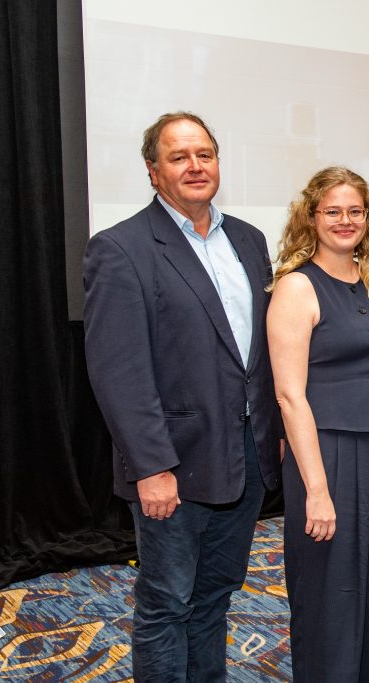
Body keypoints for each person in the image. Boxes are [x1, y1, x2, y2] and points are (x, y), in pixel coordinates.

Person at [83, 111, 281, 682]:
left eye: (205, 154)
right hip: (173, 464)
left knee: (215, 597)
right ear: (153, 172)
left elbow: (259, 353)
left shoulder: (248, 239)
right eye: (179, 157)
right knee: (167, 603)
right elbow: (118, 373)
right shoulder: (120, 249)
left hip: (244, 455)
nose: (195, 166)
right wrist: (151, 467)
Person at [267, 166, 369, 682]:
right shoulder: (296, 288)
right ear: (311, 217)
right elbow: (289, 396)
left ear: (367, 218)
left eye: (355, 211)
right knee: (332, 586)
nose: (345, 221)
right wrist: (317, 489)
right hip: (325, 452)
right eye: (333, 211)